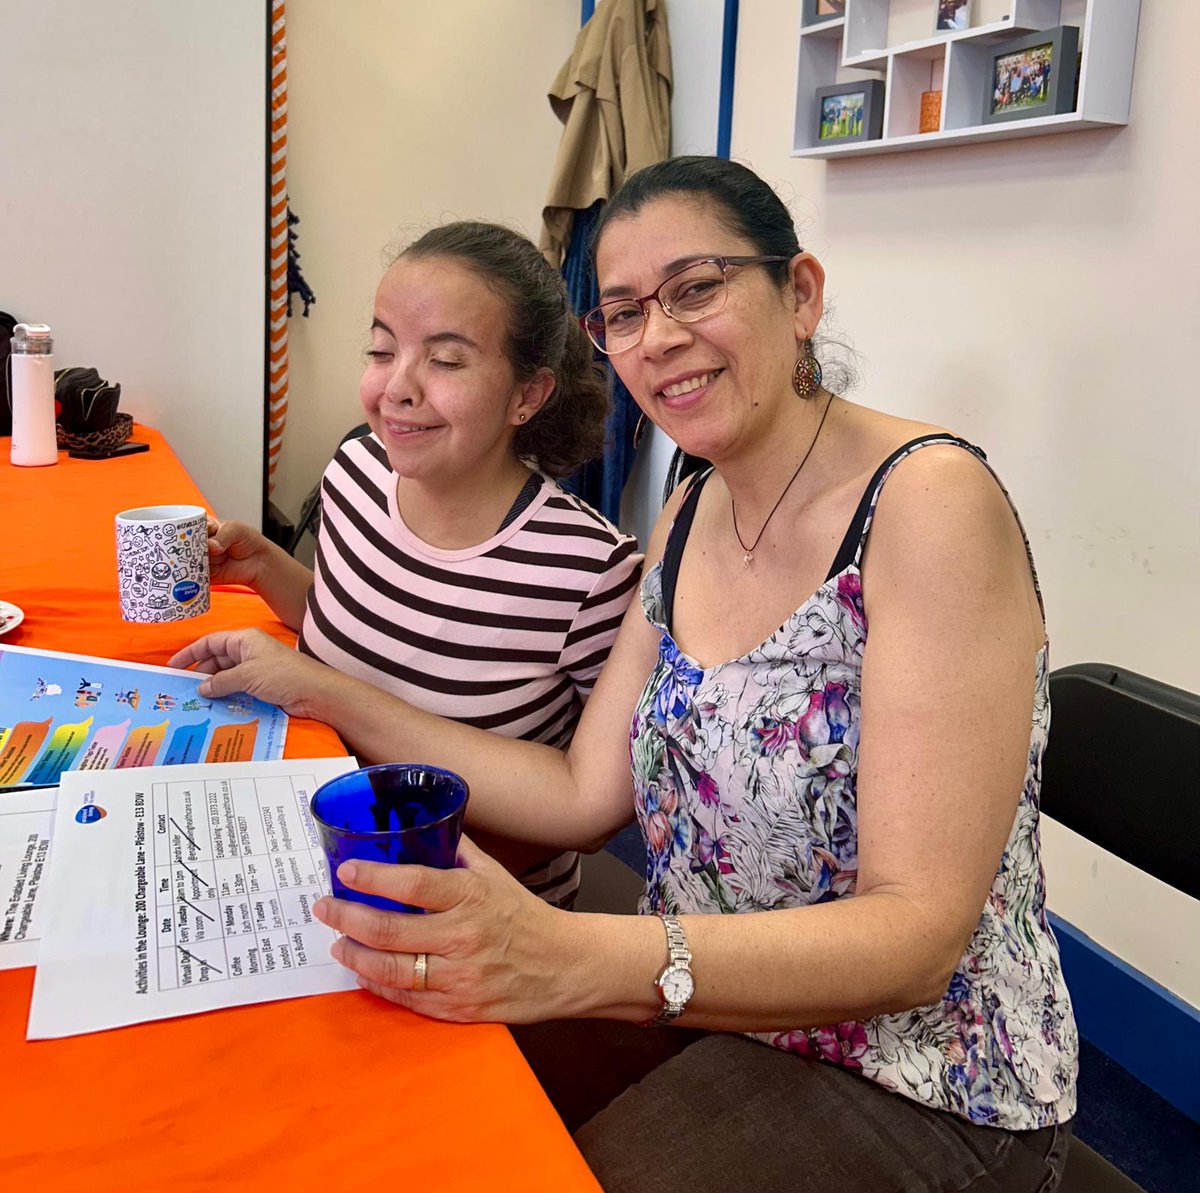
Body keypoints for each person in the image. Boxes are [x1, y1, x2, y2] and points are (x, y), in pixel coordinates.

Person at [175, 158, 1076, 1192]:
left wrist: (570, 953)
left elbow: (918, 934)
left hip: (919, 1077)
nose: (660, 335)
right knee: (359, 1091)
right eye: (623, 311)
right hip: (700, 999)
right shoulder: (689, 515)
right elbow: (576, 790)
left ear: (800, 295)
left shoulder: (927, 504)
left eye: (697, 288)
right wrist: (319, 686)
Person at [174, 221, 643, 908]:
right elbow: (370, 635)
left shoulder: (589, 571)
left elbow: (589, 802)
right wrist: (268, 571)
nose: (397, 386)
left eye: (446, 361)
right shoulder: (356, 469)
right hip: (305, 856)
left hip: (472, 910)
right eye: (381, 349)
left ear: (527, 394)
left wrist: (317, 690)